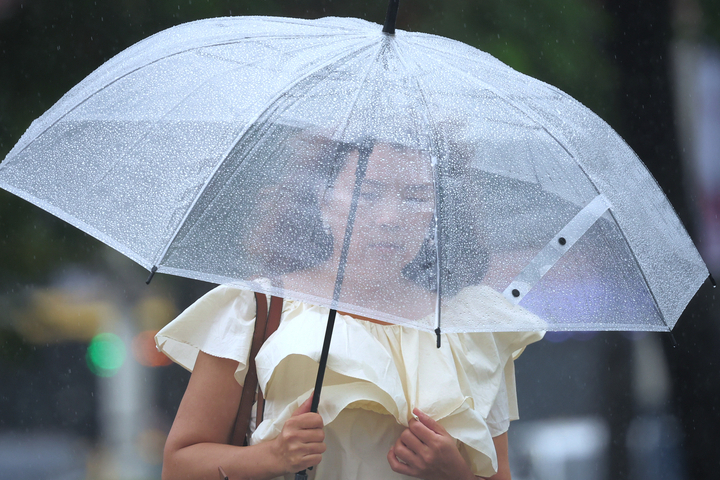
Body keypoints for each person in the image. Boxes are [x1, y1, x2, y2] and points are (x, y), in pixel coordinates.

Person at [156, 134, 544, 480]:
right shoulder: (257, 308)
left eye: (415, 197)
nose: (390, 218)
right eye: (367, 193)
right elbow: (179, 465)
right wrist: (271, 457)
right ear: (323, 200)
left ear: (436, 214)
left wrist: (454, 474)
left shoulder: (470, 326)